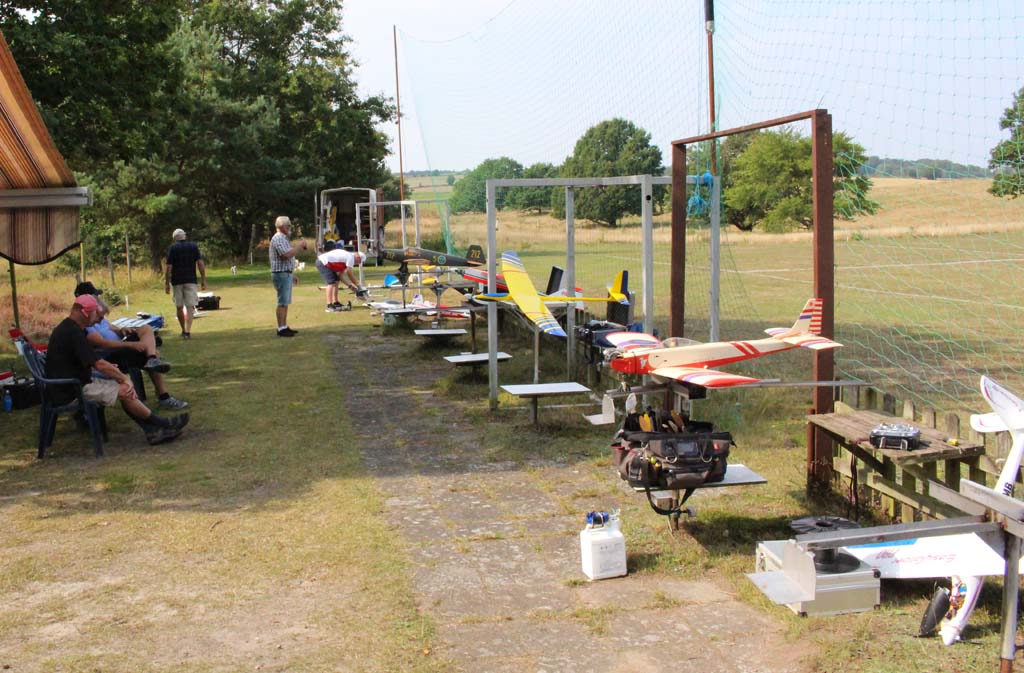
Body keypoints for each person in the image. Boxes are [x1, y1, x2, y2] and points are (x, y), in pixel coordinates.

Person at [45, 294, 189, 445]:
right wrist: (124, 378)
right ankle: (161, 424)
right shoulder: (73, 332)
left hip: (73, 383)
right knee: (125, 390)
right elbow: (99, 364)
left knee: (124, 387)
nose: (96, 319)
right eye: (95, 313)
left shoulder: (70, 328)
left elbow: (82, 360)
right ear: (85, 313)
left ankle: (154, 430)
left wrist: (115, 373)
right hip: (70, 391)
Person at [74, 283, 189, 411]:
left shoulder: (98, 315)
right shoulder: (86, 322)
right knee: (148, 352)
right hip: (112, 355)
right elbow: (101, 343)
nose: (98, 298)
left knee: (146, 329)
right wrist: (131, 344)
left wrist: (122, 330)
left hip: (121, 347)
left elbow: (111, 327)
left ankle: (152, 359)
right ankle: (163, 395)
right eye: (95, 295)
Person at [164, 228, 207, 339]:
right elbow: (200, 264)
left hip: (177, 281)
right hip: (191, 280)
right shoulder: (193, 246)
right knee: (190, 306)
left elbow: (168, 267)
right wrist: (203, 279)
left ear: (175, 238)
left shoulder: (172, 248)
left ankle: (183, 329)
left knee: (179, 306)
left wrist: (167, 283)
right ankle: (188, 331)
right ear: (184, 236)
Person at [269, 215, 307, 336]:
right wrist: (299, 246)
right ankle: (281, 328)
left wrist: (292, 274)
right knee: (282, 302)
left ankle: (284, 326)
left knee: (285, 302)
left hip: (285, 273)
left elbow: (287, 257)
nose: (290, 228)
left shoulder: (283, 238)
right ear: (281, 227)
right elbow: (286, 255)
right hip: (281, 274)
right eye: (288, 226)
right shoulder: (278, 238)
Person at [315, 240, 366, 312]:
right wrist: (358, 286)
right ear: (358, 257)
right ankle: (329, 306)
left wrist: (351, 287)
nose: (358, 263)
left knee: (336, 281)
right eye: (359, 262)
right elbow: (349, 273)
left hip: (325, 263)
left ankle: (335, 303)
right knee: (331, 283)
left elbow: (341, 276)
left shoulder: (346, 260)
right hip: (323, 262)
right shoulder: (351, 257)